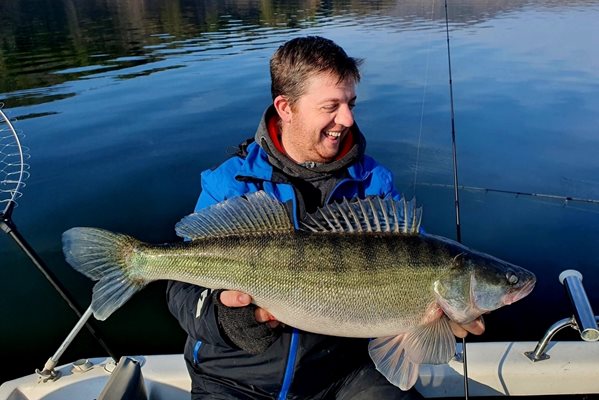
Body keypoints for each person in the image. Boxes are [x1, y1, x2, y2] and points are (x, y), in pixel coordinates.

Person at [167, 36, 484, 399]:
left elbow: (422, 265)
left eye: (350, 103)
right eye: (330, 106)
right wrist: (229, 320)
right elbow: (181, 290)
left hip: (341, 374)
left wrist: (441, 321)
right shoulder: (231, 182)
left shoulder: (373, 183)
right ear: (286, 107)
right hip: (232, 380)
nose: (347, 119)